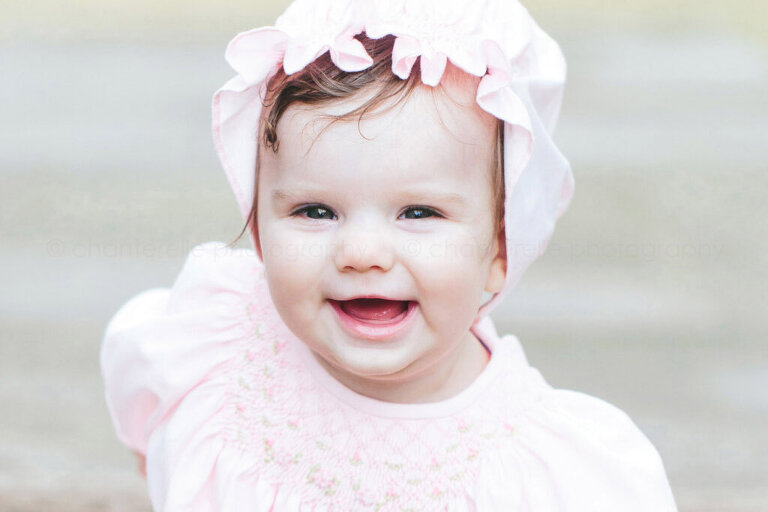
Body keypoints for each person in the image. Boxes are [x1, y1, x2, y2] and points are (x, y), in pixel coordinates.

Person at [101, 0, 679, 509]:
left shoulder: (550, 474)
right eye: (315, 211)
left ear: (501, 250)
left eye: (419, 213)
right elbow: (149, 421)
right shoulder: (216, 351)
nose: (362, 253)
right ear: (258, 231)